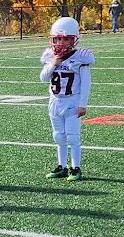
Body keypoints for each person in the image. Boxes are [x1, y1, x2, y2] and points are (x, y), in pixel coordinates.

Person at [40, 16, 93, 179]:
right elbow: (43, 77)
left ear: (74, 40)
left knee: (72, 136)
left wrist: (82, 104)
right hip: (55, 101)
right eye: (58, 39)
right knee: (58, 135)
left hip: (72, 100)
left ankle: (75, 167)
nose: (61, 43)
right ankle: (61, 165)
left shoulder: (81, 57)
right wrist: (53, 64)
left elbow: (85, 83)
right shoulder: (50, 56)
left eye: (65, 39)